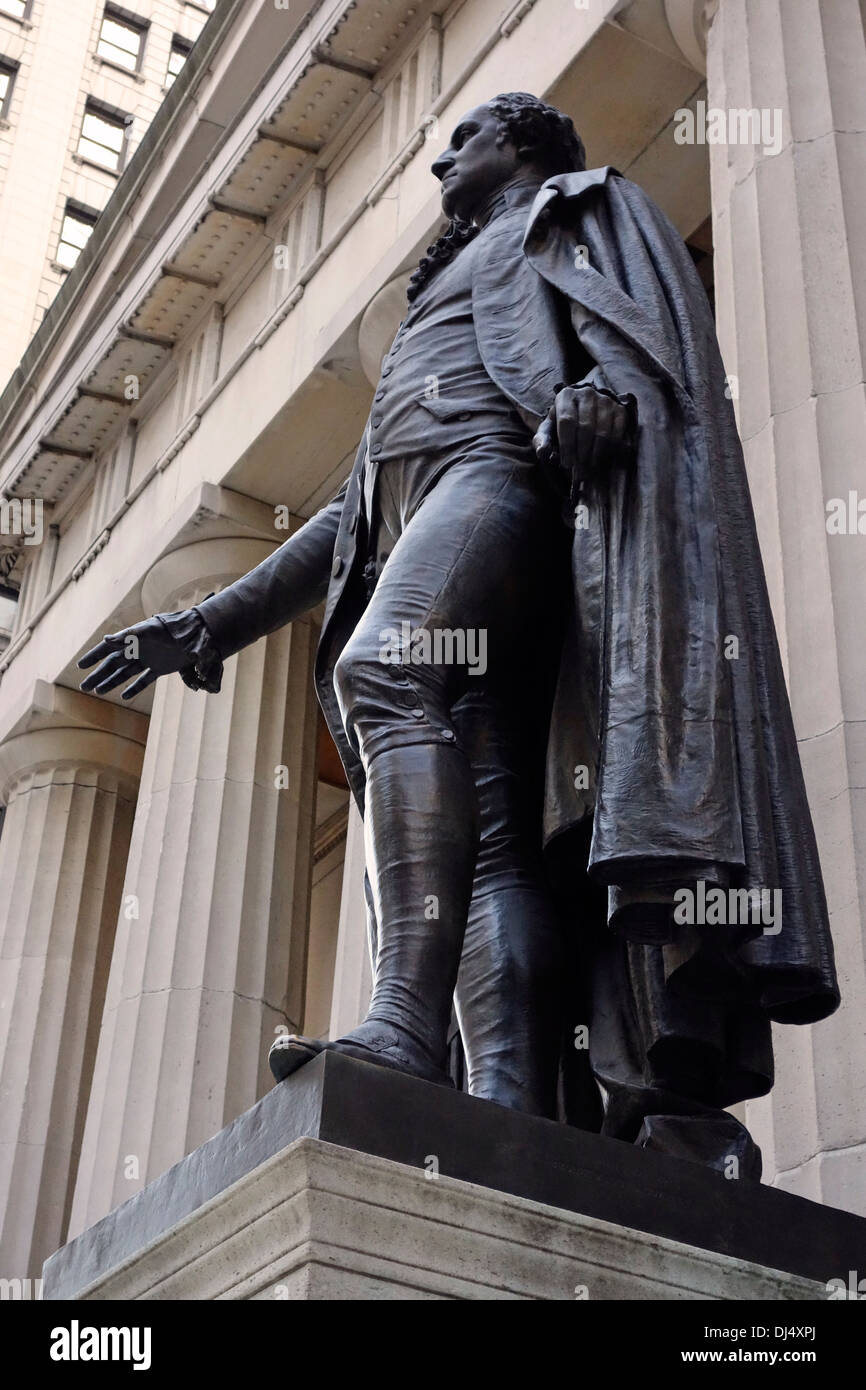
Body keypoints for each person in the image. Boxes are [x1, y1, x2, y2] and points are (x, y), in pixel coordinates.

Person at [80, 93, 838, 1172]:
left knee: (382, 670)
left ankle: (401, 1019)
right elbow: (356, 514)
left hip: (505, 487)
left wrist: (599, 396)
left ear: (521, 142)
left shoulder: (580, 205)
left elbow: (641, 347)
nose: (440, 161)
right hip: (435, 521)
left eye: (463, 140)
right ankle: (505, 1106)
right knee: (491, 844)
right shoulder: (435, 295)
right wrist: (212, 620)